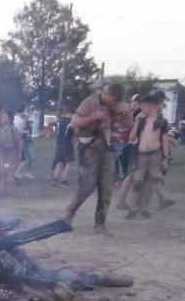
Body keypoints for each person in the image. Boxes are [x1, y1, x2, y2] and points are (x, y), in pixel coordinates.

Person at [64, 82, 126, 234]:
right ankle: (69, 214)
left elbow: (128, 124)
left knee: (107, 188)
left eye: (115, 101)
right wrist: (94, 117)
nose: (112, 103)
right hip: (89, 149)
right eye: (111, 99)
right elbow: (74, 123)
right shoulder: (90, 102)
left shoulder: (117, 106)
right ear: (107, 94)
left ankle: (100, 223)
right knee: (87, 186)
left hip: (107, 149)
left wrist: (125, 113)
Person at [126, 93, 173, 219]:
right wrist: (136, 123)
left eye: (144, 106)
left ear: (154, 106)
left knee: (151, 182)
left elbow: (164, 140)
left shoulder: (161, 121)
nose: (142, 109)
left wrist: (166, 158)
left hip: (155, 155)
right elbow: (131, 138)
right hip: (141, 155)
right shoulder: (141, 121)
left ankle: (145, 208)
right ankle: (133, 208)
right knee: (137, 182)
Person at [0, 107, 23, 198]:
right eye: (2, 117)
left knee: (9, 171)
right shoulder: (1, 129)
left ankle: (8, 191)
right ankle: (2, 190)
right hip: (2, 153)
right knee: (2, 172)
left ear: (9, 118)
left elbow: (19, 141)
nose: (3, 119)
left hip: (11, 152)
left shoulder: (13, 129)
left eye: (5, 117)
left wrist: (19, 153)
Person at [51, 107, 75, 186]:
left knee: (59, 161)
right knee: (69, 161)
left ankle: (54, 179)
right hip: (67, 142)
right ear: (72, 113)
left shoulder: (60, 120)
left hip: (59, 143)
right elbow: (75, 132)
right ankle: (64, 180)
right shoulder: (71, 121)